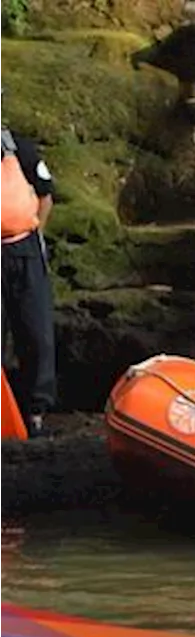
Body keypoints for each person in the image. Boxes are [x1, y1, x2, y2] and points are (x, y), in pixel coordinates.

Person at [0, 124, 56, 438]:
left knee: (36, 331)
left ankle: (36, 410)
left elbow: (46, 193)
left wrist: (36, 234)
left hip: (24, 248)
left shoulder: (20, 148)